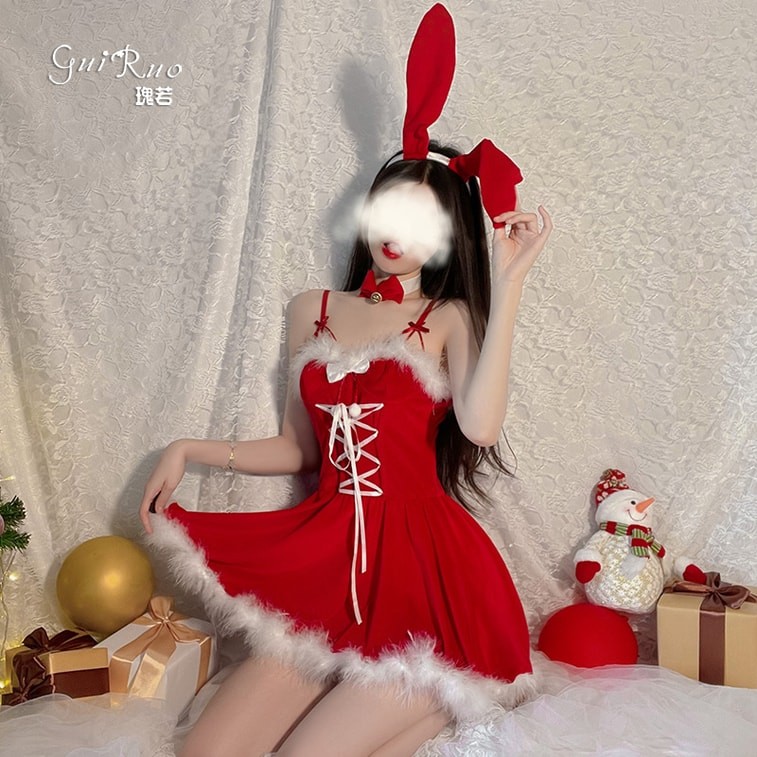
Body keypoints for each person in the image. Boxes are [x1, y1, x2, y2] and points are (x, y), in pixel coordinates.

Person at [139, 139, 552, 757]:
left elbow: (481, 428)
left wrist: (510, 280)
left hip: (425, 583)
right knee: (205, 752)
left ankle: (435, 703)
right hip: (328, 569)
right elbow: (298, 449)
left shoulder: (448, 316)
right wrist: (188, 449)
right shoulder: (314, 309)